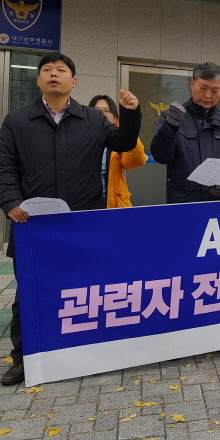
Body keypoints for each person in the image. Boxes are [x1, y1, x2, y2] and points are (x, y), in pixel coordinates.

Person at [0, 52, 141, 386]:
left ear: (73, 81)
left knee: (84, 289)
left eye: (61, 70)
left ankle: (83, 353)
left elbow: (122, 142)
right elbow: (5, 165)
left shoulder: (93, 119)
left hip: (82, 222)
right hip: (32, 222)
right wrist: (10, 201)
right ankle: (23, 358)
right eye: (47, 70)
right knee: (30, 292)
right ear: (38, 80)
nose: (54, 74)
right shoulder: (17, 121)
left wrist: (131, 113)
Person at [150, 62, 220, 204]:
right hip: (183, 201)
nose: (208, 95)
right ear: (192, 83)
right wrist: (170, 126)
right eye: (203, 88)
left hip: (219, 202)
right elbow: (161, 156)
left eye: (215, 91)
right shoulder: (170, 116)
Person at [89, 95, 147, 208]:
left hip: (114, 204)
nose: (102, 114)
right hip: (86, 203)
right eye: (97, 110)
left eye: (107, 111)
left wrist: (129, 132)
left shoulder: (119, 138)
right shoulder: (81, 136)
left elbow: (135, 161)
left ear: (114, 117)